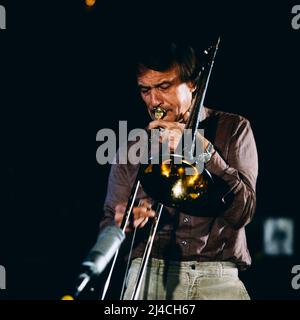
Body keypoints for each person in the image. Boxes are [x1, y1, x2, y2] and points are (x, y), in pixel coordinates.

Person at [99, 40, 258, 300]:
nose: (153, 100)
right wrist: (122, 222)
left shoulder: (234, 129)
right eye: (145, 90)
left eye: (163, 86)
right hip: (150, 271)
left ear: (193, 84)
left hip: (217, 277)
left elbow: (244, 212)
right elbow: (109, 221)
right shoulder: (132, 146)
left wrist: (203, 152)